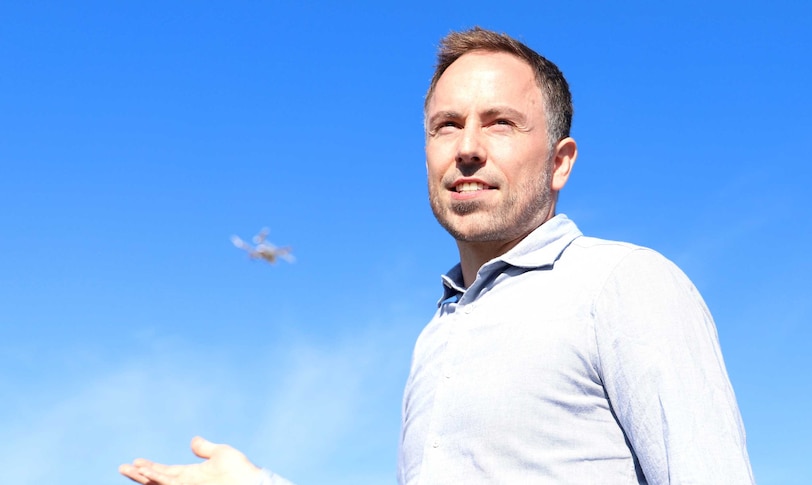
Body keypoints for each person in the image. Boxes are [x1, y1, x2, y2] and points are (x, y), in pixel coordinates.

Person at [120, 27, 755, 485]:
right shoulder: (436, 339)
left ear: (560, 162)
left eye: (501, 122)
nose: (468, 147)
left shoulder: (623, 284)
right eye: (446, 125)